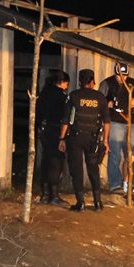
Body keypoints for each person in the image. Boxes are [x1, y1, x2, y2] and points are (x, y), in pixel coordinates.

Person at [60, 68, 108, 211]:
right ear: (92, 81)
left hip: (75, 138)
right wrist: (105, 141)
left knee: (76, 169)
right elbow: (107, 121)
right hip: (93, 139)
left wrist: (61, 138)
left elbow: (66, 120)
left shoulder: (73, 96)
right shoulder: (100, 97)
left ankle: (80, 202)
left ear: (80, 81)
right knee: (93, 169)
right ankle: (98, 202)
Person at [100, 62, 134, 193]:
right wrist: (108, 103)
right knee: (115, 155)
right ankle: (115, 184)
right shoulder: (106, 83)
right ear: (115, 74)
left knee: (132, 154)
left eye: (125, 75)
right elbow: (99, 101)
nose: (122, 78)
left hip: (130, 122)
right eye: (119, 76)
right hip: (115, 122)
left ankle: (128, 182)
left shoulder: (131, 83)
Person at [36, 70, 70, 204]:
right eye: (66, 83)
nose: (67, 86)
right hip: (56, 131)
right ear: (61, 83)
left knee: (46, 160)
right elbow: (65, 116)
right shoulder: (60, 96)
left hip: (45, 131)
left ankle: (45, 194)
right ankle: (54, 195)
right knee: (56, 162)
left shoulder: (44, 93)